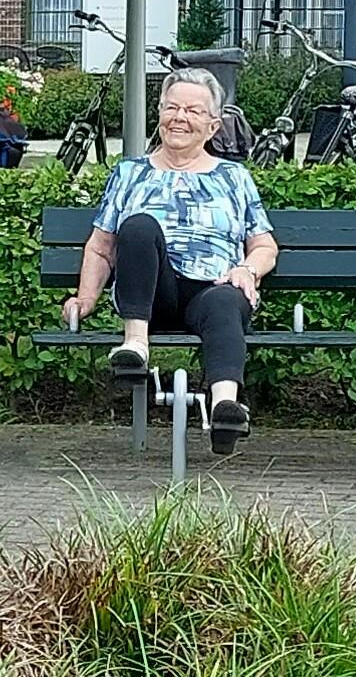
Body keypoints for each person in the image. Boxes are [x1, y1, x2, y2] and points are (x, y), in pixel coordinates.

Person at [58, 70, 275, 447]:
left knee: (227, 299)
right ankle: (135, 347)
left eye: (193, 110)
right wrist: (85, 298)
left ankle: (225, 408)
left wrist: (247, 268)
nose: (180, 117)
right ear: (159, 114)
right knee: (139, 226)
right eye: (172, 107)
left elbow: (265, 245)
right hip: (151, 294)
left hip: (212, 290)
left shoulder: (234, 177)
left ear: (213, 125)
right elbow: (101, 246)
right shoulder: (130, 173)